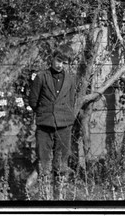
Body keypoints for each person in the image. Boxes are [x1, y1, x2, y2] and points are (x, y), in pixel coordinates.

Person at [28, 45, 77, 191]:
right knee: (43, 161)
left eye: (64, 62)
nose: (60, 64)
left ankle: (59, 195)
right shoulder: (41, 77)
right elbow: (33, 101)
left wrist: (64, 116)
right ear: (52, 58)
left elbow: (71, 100)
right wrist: (46, 113)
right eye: (58, 60)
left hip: (64, 126)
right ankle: (44, 195)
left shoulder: (71, 79)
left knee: (61, 163)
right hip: (44, 126)